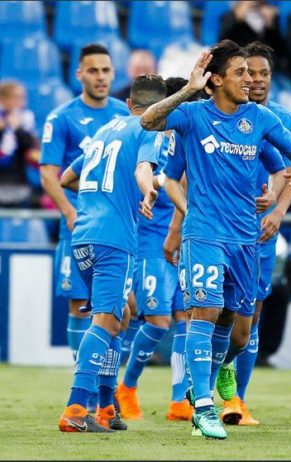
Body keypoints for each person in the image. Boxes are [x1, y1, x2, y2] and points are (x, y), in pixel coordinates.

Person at [142, 39, 291, 439]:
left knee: (234, 327)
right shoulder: (193, 115)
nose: (250, 79)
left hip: (246, 239)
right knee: (205, 309)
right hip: (204, 232)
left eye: (252, 72)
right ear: (216, 80)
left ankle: (203, 383)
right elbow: (148, 121)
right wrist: (188, 88)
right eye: (240, 72)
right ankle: (203, 406)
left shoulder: (260, 118)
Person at [57, 74, 165, 433]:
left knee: (122, 312)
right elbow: (143, 169)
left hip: (83, 237)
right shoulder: (149, 128)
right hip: (113, 239)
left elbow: (66, 178)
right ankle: (76, 408)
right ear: (161, 109)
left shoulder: (105, 130)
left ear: (129, 102)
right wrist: (146, 192)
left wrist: (101, 197)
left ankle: (106, 406)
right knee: (105, 319)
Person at [211, 41, 291, 427]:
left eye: (265, 73)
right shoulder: (218, 113)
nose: (257, 80)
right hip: (217, 228)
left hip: (260, 233)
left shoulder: (282, 119)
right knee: (209, 310)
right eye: (250, 72)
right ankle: (195, 392)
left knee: (249, 319)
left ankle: (237, 398)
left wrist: (278, 211)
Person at [39, 44, 129, 409]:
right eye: (93, 70)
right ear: (79, 74)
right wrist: (68, 212)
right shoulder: (62, 118)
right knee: (80, 305)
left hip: (115, 229)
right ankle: (87, 393)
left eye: (106, 70)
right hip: (78, 229)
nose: (101, 77)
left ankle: (104, 393)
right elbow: (50, 173)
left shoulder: (123, 114)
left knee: (118, 309)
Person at [115, 77, 196, 423]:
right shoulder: (147, 137)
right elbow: (143, 176)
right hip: (149, 241)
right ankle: (127, 387)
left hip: (183, 241)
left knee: (185, 319)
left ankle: (179, 400)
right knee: (159, 321)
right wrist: (157, 186)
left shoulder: (187, 140)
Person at [0, 80, 39, 206]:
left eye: (23, 98)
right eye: (17, 98)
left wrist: (18, 129)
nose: (22, 102)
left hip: (17, 180)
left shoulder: (26, 119)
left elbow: (31, 148)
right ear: (3, 99)